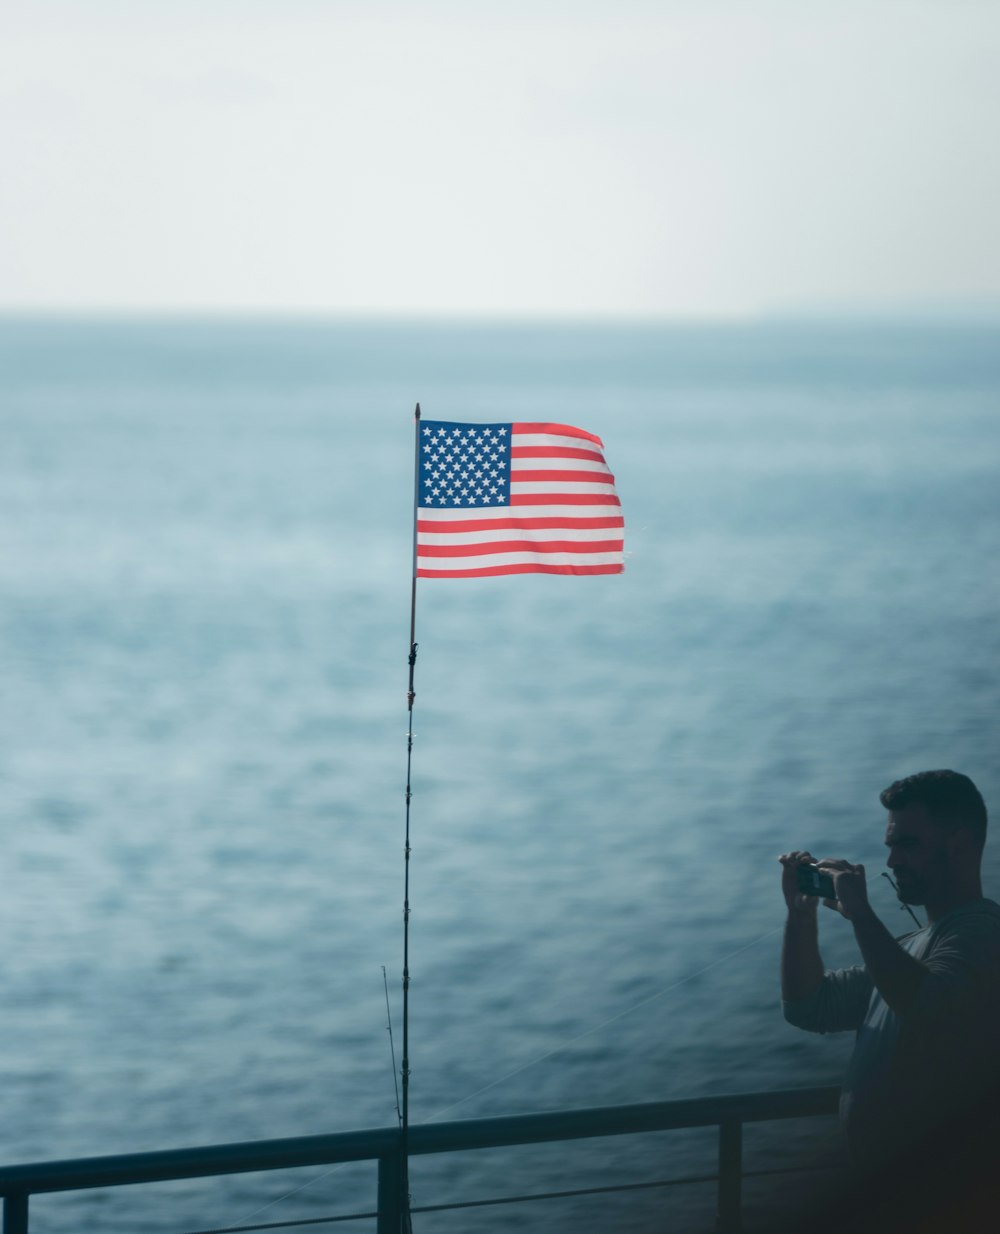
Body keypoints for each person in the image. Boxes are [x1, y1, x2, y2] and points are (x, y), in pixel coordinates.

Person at [778, 769, 1000, 1231]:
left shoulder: (982, 932)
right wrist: (801, 918)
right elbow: (808, 1005)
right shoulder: (906, 951)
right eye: (890, 847)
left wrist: (860, 915)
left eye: (909, 844)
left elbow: (932, 1008)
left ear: (958, 845)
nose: (894, 860)